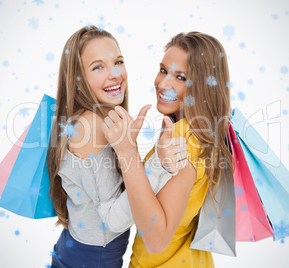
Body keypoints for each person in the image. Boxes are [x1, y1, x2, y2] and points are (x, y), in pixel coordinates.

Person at [47, 26, 186, 268]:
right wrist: (156, 162)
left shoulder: (92, 117)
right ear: (76, 78)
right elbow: (113, 220)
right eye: (98, 67)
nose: (115, 74)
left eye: (118, 62)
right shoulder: (91, 125)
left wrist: (129, 148)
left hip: (76, 252)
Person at [102, 31, 234, 267]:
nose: (163, 83)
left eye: (181, 77)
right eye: (163, 70)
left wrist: (127, 152)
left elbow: (156, 239)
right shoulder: (203, 132)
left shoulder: (183, 141)